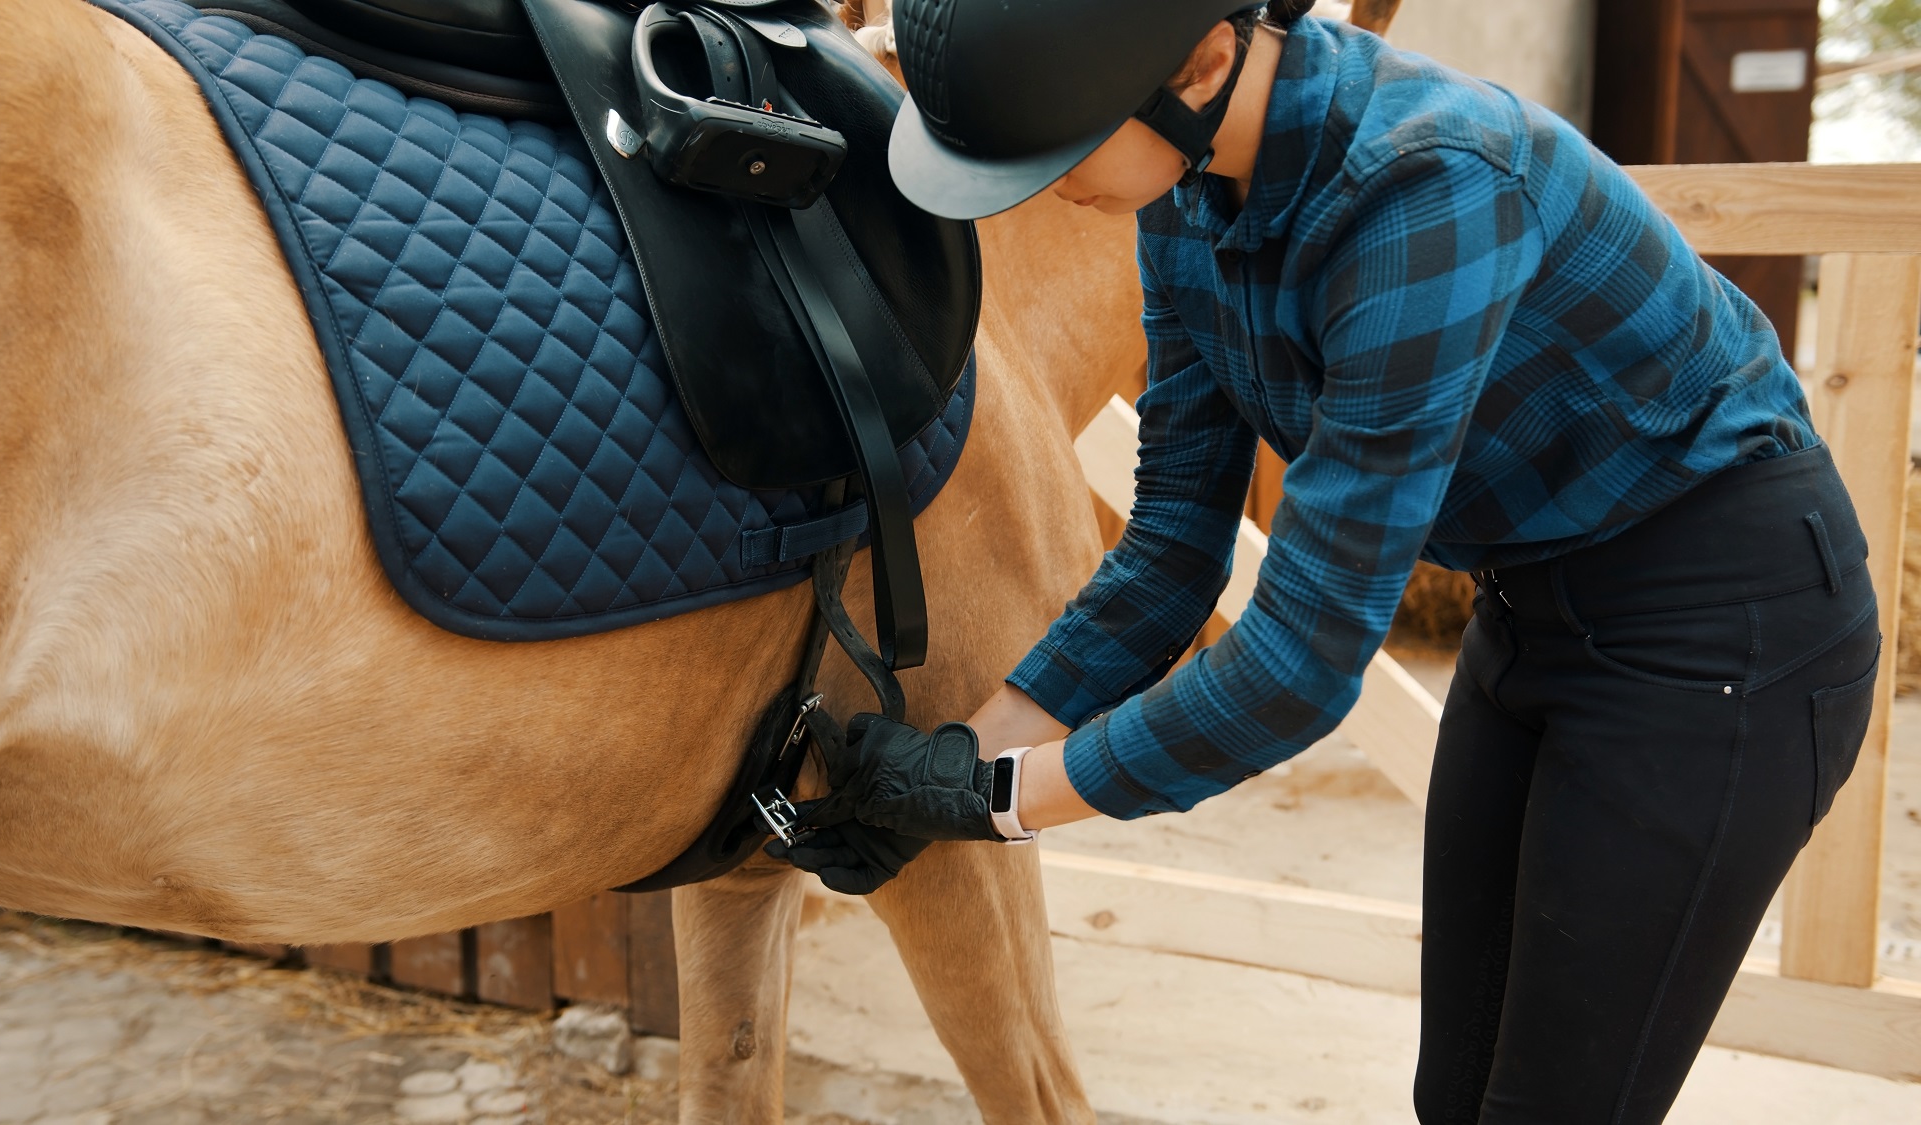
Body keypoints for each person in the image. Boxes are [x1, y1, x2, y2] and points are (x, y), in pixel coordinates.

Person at [767, 2, 1882, 1121]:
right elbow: (1169, 549)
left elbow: (1299, 662)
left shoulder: (1428, 188)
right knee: (1452, 1095)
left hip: (1721, 625)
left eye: (1056, 147)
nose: (1044, 188)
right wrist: (962, 754)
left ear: (1202, 62)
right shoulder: (1183, 193)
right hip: (1531, 605)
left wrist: (994, 802)